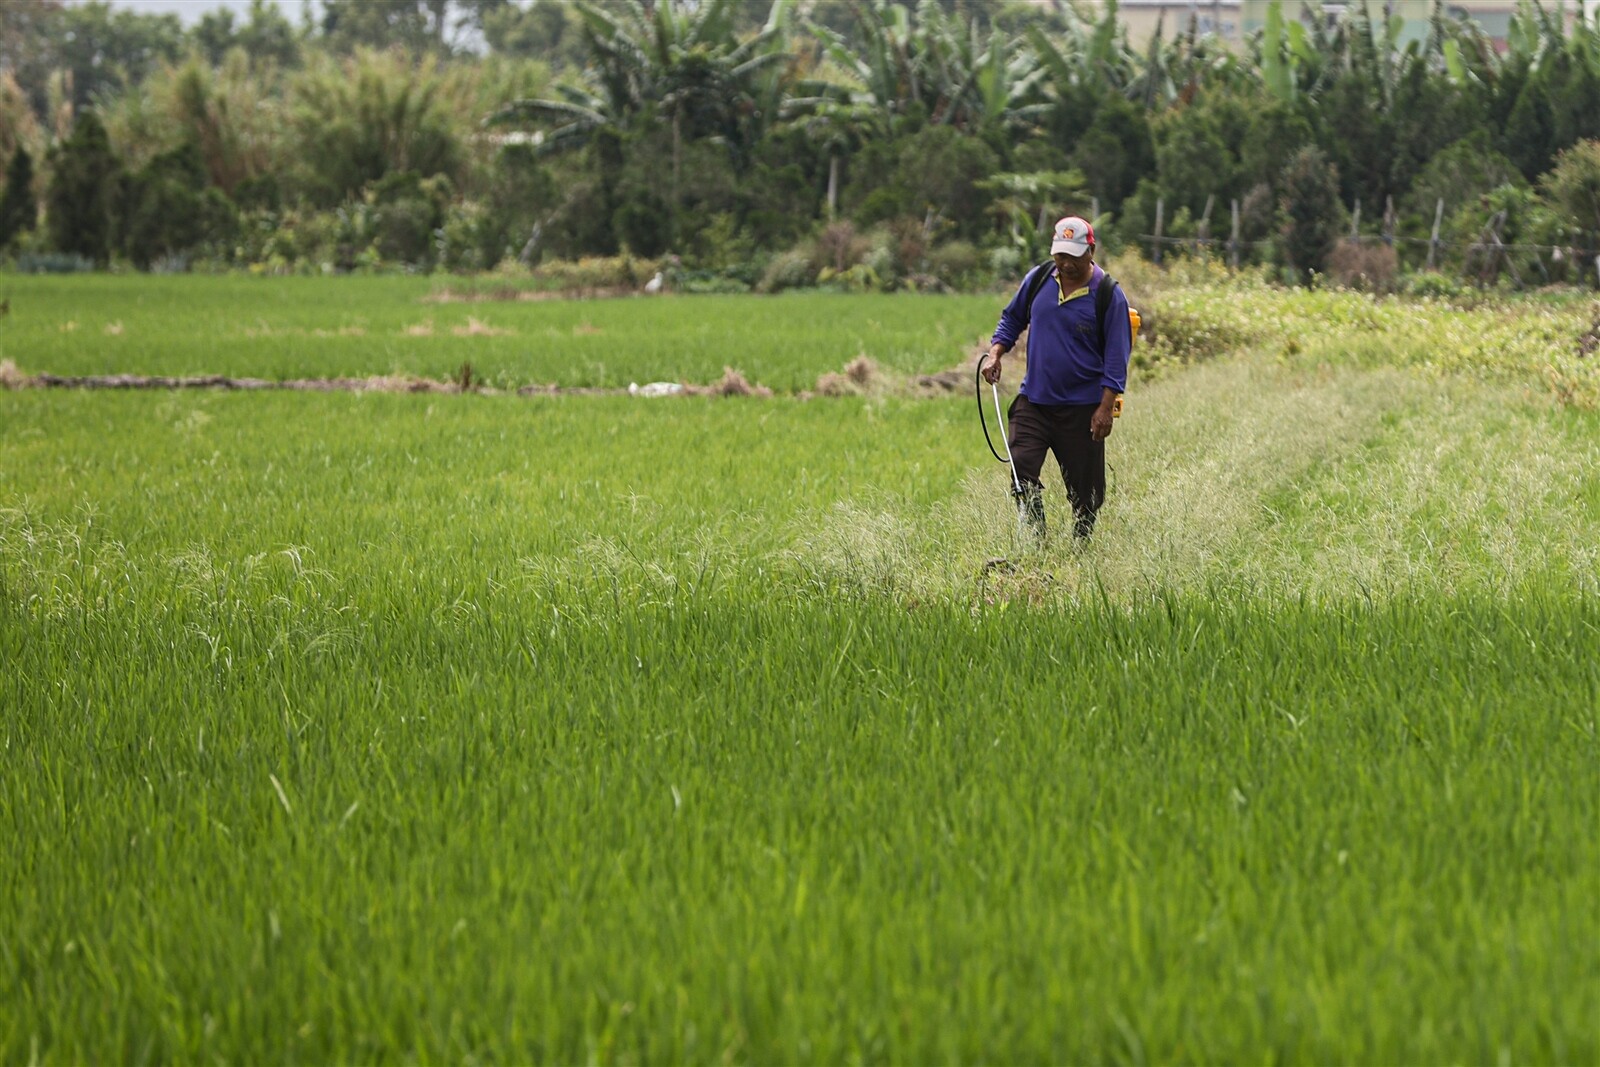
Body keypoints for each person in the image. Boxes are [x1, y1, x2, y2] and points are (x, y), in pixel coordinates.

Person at [981, 216, 1130, 542]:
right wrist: (995, 353)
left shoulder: (1108, 295)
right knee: (1021, 467)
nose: (1065, 264)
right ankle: (1035, 541)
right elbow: (1012, 319)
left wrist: (1105, 408)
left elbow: (1117, 360)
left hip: (1082, 409)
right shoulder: (1038, 280)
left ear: (1091, 251)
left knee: (1087, 495)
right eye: (1060, 256)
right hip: (1035, 401)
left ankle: (1081, 544)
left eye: (1073, 257)